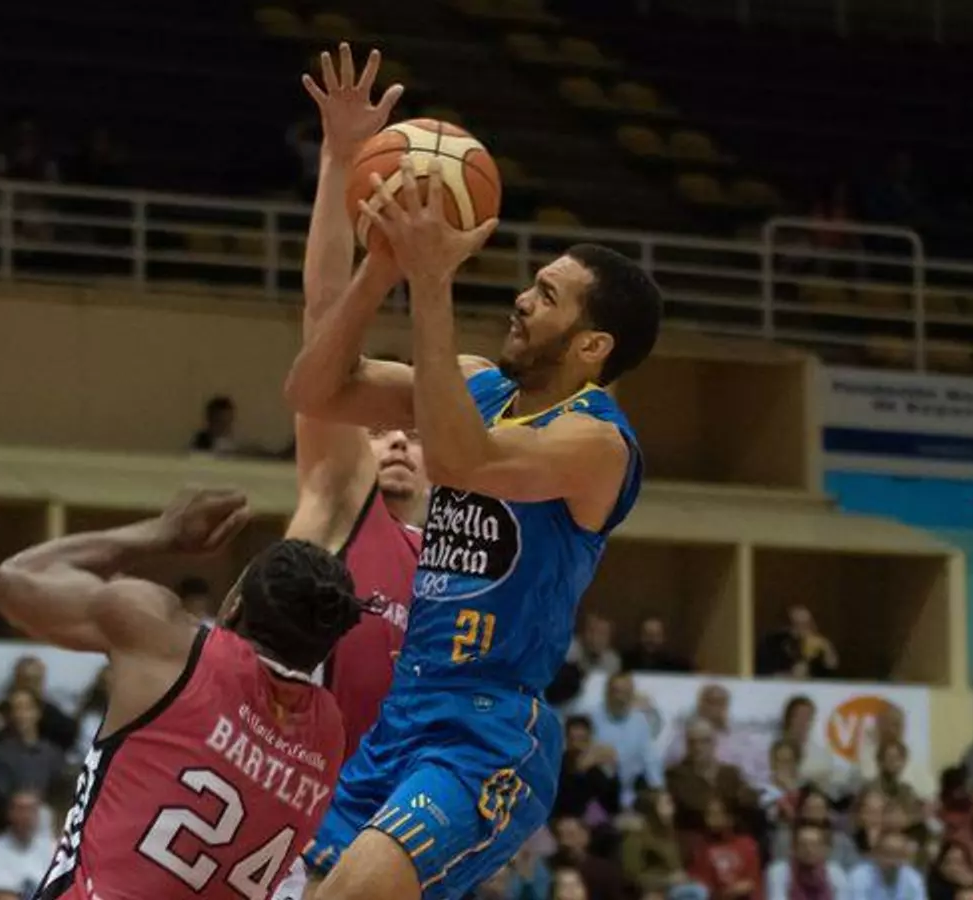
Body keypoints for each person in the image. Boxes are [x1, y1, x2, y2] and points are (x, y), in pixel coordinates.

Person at [284, 49, 662, 900]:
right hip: (404, 715)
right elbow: (316, 388)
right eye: (532, 284)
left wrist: (430, 281)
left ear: (592, 346)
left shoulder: (598, 442)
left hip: (488, 736)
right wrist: (378, 253)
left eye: (548, 296)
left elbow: (462, 461)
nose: (523, 299)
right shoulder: (481, 385)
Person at [0, 486, 362, 900]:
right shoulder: (329, 734)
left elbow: (17, 581)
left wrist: (161, 533)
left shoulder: (172, 649)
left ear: (234, 606)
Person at [269, 44, 423, 900]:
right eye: (379, 424)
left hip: (383, 838)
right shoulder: (341, 495)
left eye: (410, 427)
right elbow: (325, 316)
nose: (394, 439)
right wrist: (339, 161)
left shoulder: (460, 565)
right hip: (281, 820)